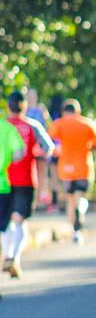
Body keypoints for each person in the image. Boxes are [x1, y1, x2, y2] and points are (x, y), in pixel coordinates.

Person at [2, 91, 55, 277]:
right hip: (26, 179)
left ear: (8, 106)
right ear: (25, 107)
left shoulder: (3, 126)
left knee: (5, 221)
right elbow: (49, 148)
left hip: (4, 180)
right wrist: (37, 153)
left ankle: (8, 255)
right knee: (21, 220)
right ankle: (14, 258)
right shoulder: (33, 125)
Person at [47, 99, 96, 245]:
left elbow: (48, 140)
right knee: (81, 196)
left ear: (63, 112)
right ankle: (81, 209)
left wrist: (57, 150)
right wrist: (91, 146)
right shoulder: (87, 124)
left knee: (70, 198)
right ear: (78, 111)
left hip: (66, 168)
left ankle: (75, 232)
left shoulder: (59, 124)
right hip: (83, 167)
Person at [0, 107, 26, 297]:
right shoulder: (7, 128)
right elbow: (19, 153)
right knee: (3, 228)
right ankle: (9, 257)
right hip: (2, 185)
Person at [24, 88, 51, 210]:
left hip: (40, 144)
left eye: (33, 95)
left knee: (42, 169)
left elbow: (47, 126)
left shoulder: (40, 110)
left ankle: (42, 194)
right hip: (28, 146)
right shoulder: (24, 111)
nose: (31, 98)